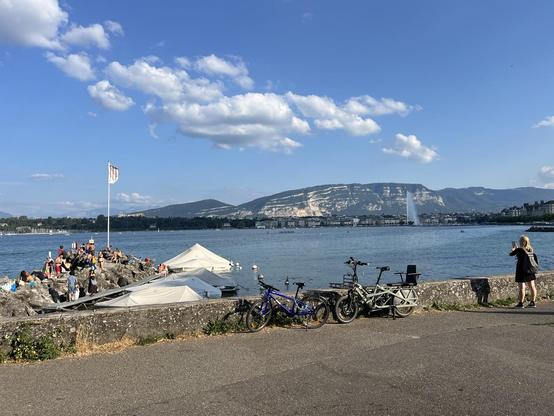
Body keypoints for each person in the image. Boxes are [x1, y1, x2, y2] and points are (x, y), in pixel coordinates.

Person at [509, 235, 538, 308]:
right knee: (532, 286)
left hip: (521, 271)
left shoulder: (519, 249)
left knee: (522, 288)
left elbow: (511, 254)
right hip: (530, 270)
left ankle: (521, 303)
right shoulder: (531, 249)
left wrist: (513, 249)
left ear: (521, 242)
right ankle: (532, 302)